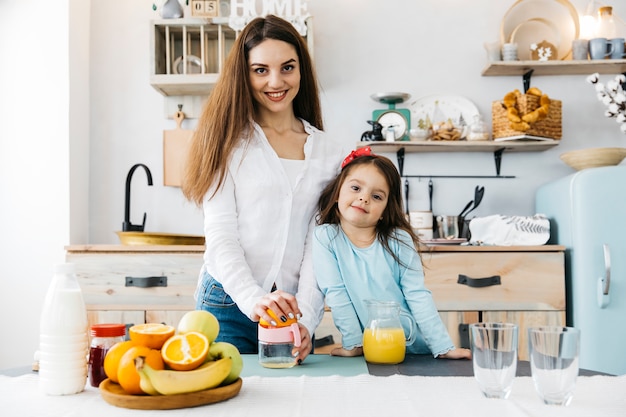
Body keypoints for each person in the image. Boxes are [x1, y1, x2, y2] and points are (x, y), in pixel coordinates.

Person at [181, 15, 344, 363]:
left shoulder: (329, 152)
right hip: (226, 303)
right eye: (260, 70)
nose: (275, 81)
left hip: (290, 310)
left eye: (287, 67)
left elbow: (320, 244)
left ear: (302, 70)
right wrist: (253, 299)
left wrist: (308, 318)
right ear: (244, 74)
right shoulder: (226, 143)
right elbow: (221, 234)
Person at [313, 147, 471, 359]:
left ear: (385, 211)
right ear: (337, 193)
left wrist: (443, 347)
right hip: (369, 348)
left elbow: (417, 295)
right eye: (356, 188)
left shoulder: (399, 240)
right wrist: (353, 343)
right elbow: (336, 293)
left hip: (412, 349)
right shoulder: (325, 237)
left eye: (377, 196)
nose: (364, 198)